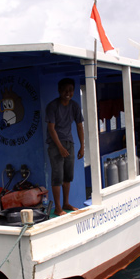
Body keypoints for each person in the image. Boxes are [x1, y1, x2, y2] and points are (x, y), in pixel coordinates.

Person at [45, 78, 85, 216]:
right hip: (55, 145)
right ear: (59, 91)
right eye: (65, 90)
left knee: (68, 176)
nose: (68, 93)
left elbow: (80, 126)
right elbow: (51, 128)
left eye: (71, 90)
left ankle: (66, 203)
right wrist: (60, 147)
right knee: (57, 176)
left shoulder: (74, 106)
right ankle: (57, 208)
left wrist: (82, 146)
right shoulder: (52, 106)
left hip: (69, 144)